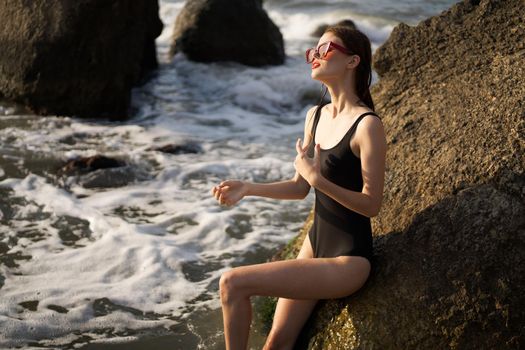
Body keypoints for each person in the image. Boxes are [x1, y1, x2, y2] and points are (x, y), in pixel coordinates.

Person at [211, 24, 387, 350]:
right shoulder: (315, 116)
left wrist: (319, 179)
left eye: (325, 50)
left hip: (349, 261)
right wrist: (248, 188)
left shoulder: (368, 125)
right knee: (276, 344)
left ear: (353, 61)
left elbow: (371, 204)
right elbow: (298, 187)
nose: (314, 57)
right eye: (312, 51)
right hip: (315, 244)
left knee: (232, 282)